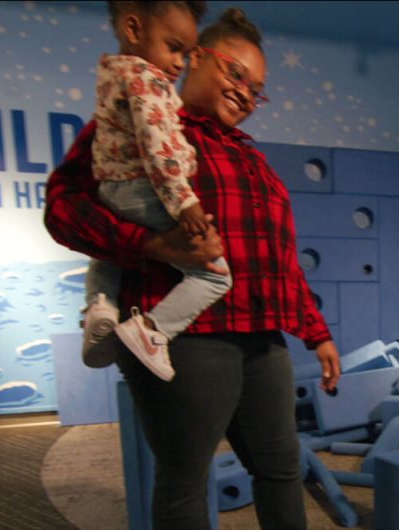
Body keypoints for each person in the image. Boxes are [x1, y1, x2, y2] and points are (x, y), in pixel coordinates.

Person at [45, 6, 353, 530]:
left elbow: (281, 261)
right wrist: (149, 244)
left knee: (280, 466)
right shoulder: (141, 117)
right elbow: (63, 208)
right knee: (187, 476)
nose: (245, 92)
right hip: (183, 332)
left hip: (261, 335)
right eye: (236, 73)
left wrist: (316, 332)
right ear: (196, 59)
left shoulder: (253, 160)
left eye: (257, 88)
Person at [81, 0, 234, 382]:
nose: (180, 63)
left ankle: (100, 307)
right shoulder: (147, 80)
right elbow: (156, 148)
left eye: (186, 53)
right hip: (143, 188)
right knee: (215, 274)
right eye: (174, 48)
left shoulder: (113, 73)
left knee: (108, 255)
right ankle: (151, 331)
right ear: (134, 30)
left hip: (111, 188)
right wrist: (186, 202)